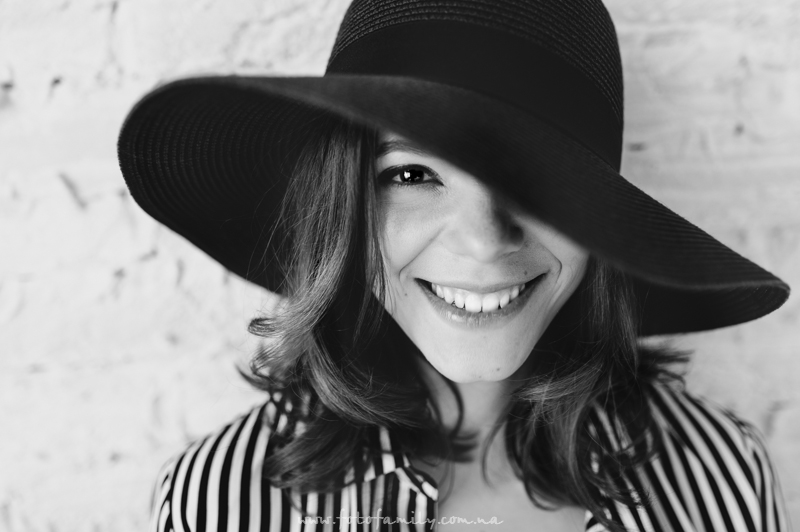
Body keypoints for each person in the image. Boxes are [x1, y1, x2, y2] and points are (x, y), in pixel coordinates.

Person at [117, 0, 791, 530]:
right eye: (412, 174)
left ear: (601, 218)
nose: (484, 241)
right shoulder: (221, 503)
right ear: (347, 205)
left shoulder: (720, 477)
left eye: (535, 176)